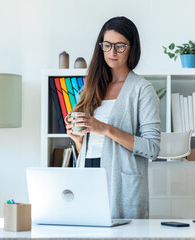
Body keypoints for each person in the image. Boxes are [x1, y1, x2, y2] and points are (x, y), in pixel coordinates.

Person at [65, 16, 160, 219]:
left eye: (119, 46)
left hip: (121, 179)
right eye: (107, 45)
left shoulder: (142, 89)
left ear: (131, 48)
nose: (112, 52)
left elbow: (152, 148)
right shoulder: (89, 88)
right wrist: (78, 140)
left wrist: (104, 128)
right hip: (89, 172)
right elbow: (91, 147)